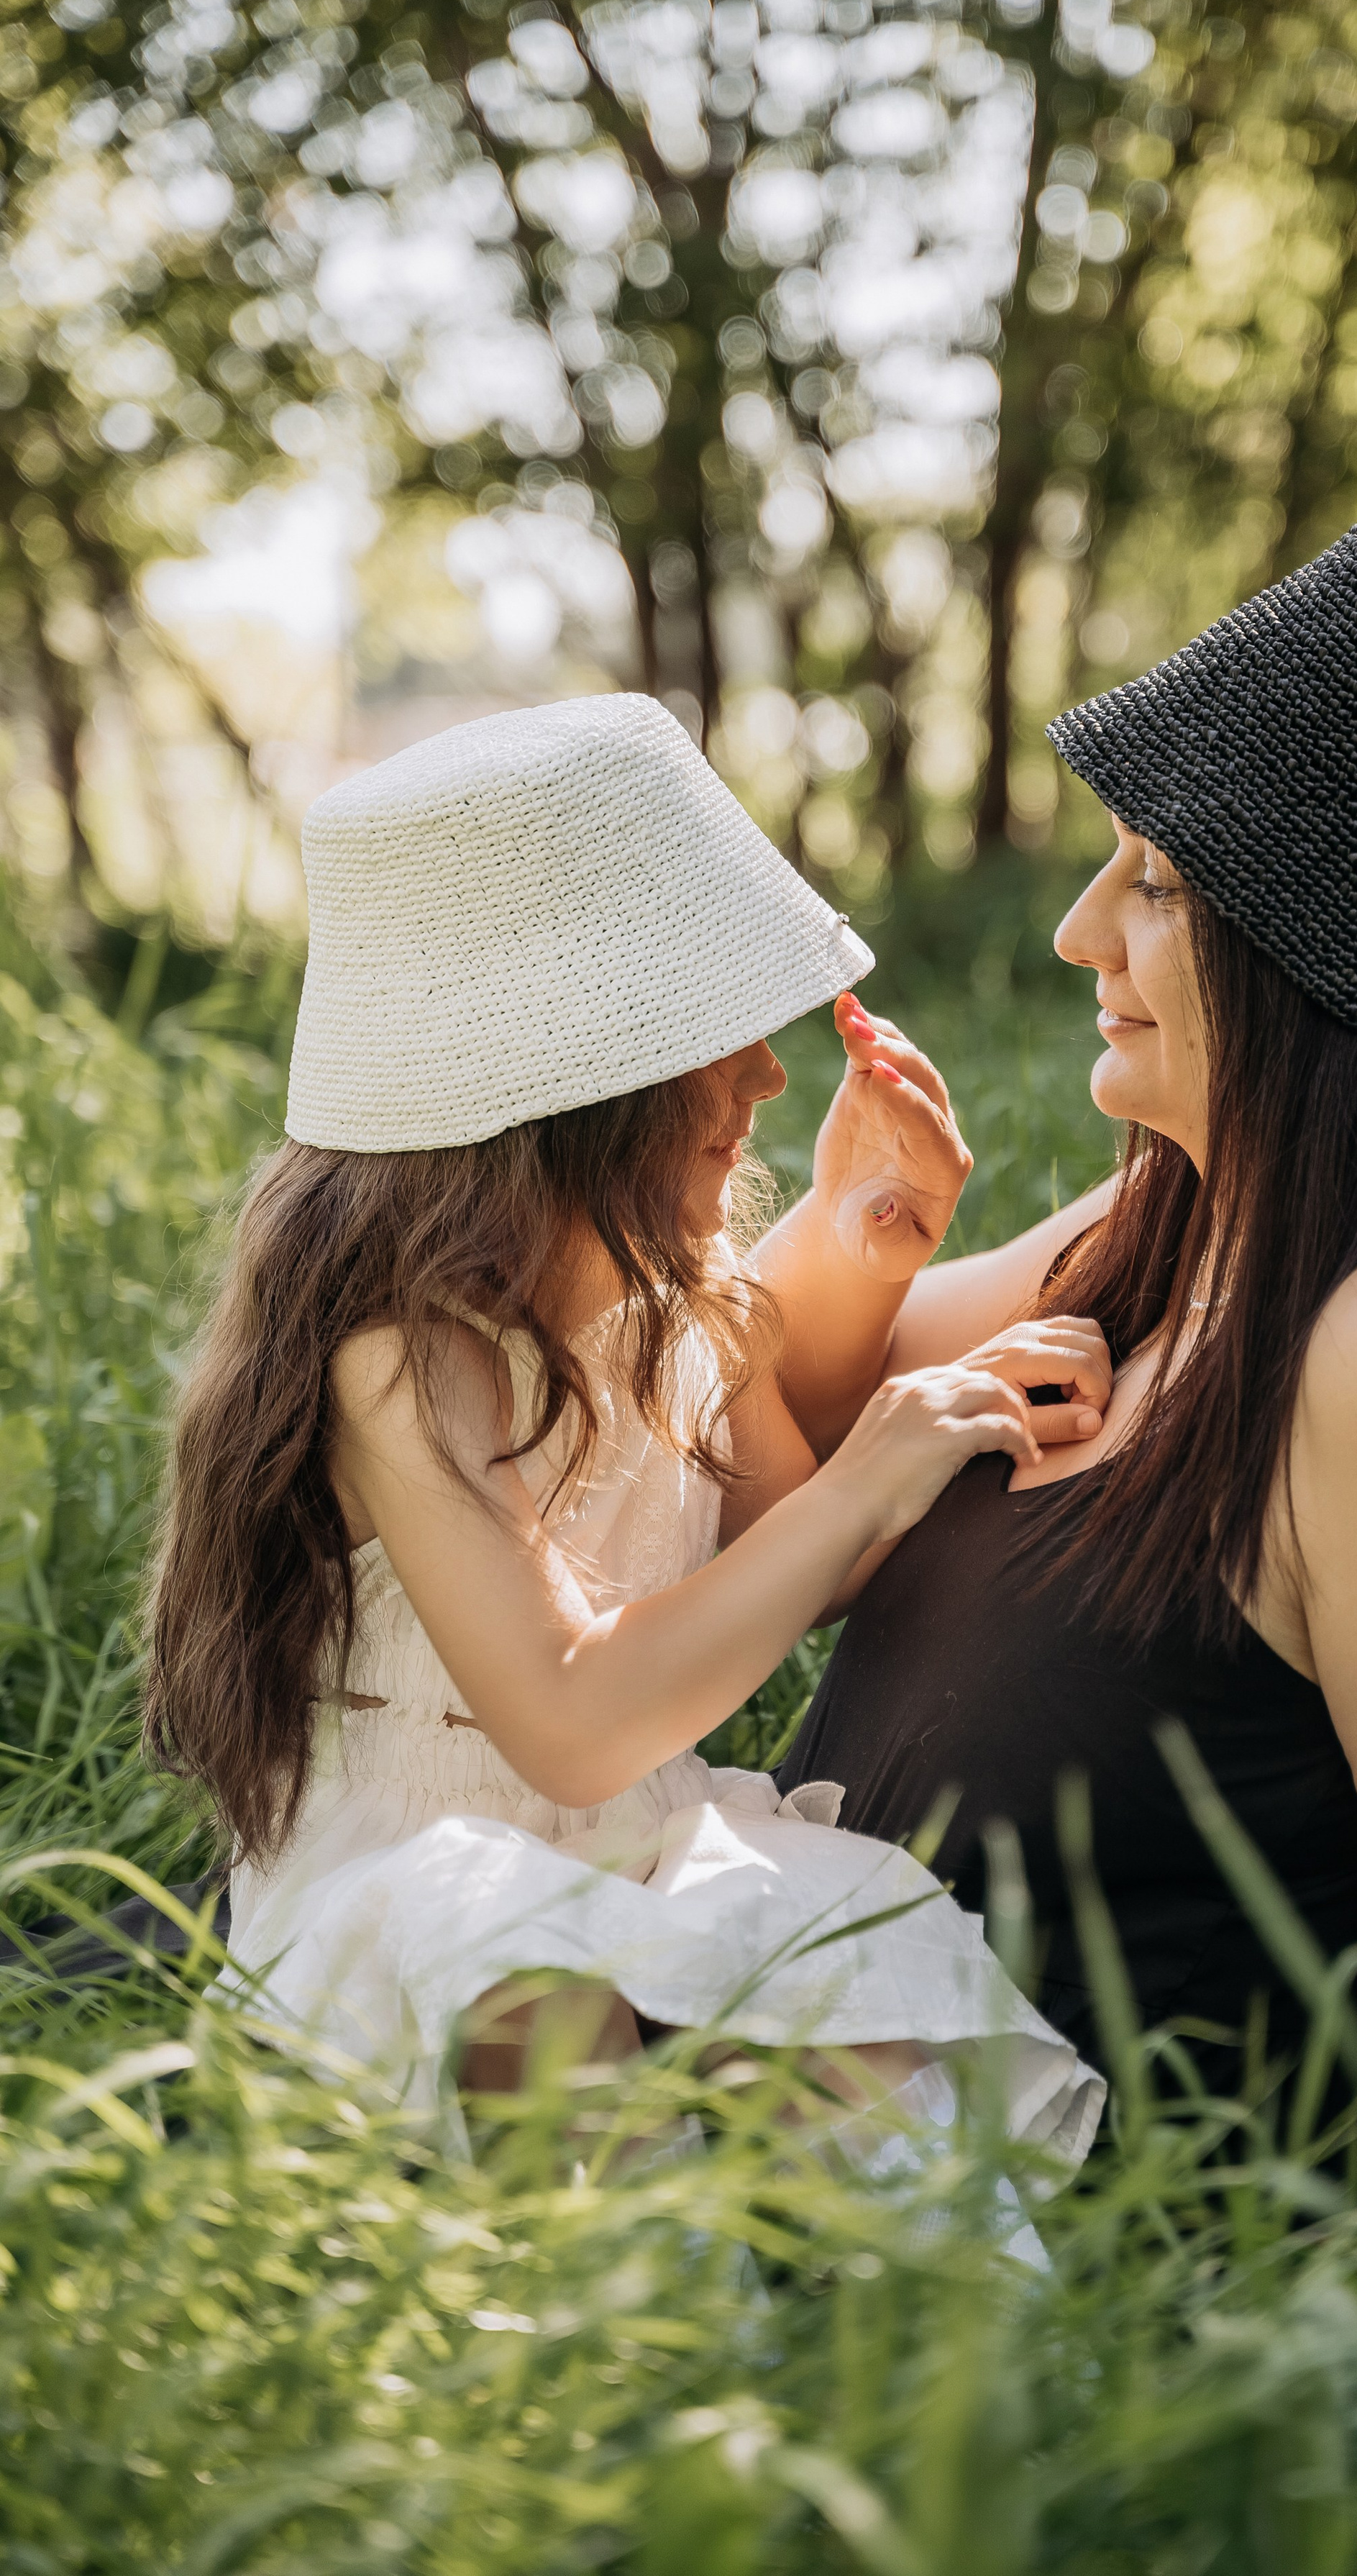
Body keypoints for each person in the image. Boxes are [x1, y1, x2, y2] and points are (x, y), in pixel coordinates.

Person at [783, 504, 1357, 2230]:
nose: (1079, 933)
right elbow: (767, 1433)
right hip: (815, 2158)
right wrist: (862, 1226)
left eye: (1153, 881)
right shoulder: (1185, 1222)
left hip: (1079, 2337)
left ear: (1337, 954)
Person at [144, 695, 1102, 2177]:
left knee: (831, 1971)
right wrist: (873, 1470)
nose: (770, 1082)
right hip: (414, 1892)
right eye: (717, 1047)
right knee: (539, 1977)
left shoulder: (675, 1302)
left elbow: (791, 1555)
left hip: (641, 1844)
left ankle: (985, 2334)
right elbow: (576, 1724)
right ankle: (634, 2343)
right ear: (577, 1096)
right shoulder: (405, 1363)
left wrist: (860, 1244)